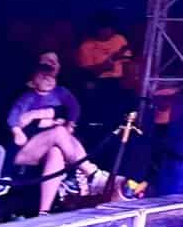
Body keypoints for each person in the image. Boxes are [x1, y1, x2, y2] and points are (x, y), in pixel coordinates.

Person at [7, 68, 108, 212]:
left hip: (51, 144)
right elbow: (18, 120)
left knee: (57, 151)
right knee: (60, 132)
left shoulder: (61, 94)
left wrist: (68, 123)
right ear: (31, 82)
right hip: (24, 149)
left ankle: (44, 212)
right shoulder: (26, 97)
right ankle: (90, 172)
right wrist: (30, 123)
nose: (48, 80)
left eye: (51, 77)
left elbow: (74, 108)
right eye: (43, 77)